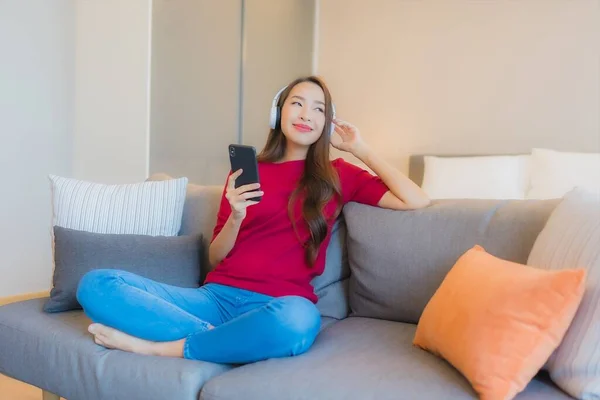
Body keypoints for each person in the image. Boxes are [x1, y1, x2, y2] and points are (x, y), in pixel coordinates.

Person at [76, 75, 431, 364]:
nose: (306, 114)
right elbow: (216, 258)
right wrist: (236, 216)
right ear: (277, 114)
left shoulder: (338, 174)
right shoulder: (247, 173)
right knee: (96, 284)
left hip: (279, 304)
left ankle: (159, 347)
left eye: (318, 109)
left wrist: (361, 149)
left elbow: (416, 199)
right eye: (297, 103)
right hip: (215, 299)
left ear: (327, 123)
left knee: (297, 323)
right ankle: (226, 343)